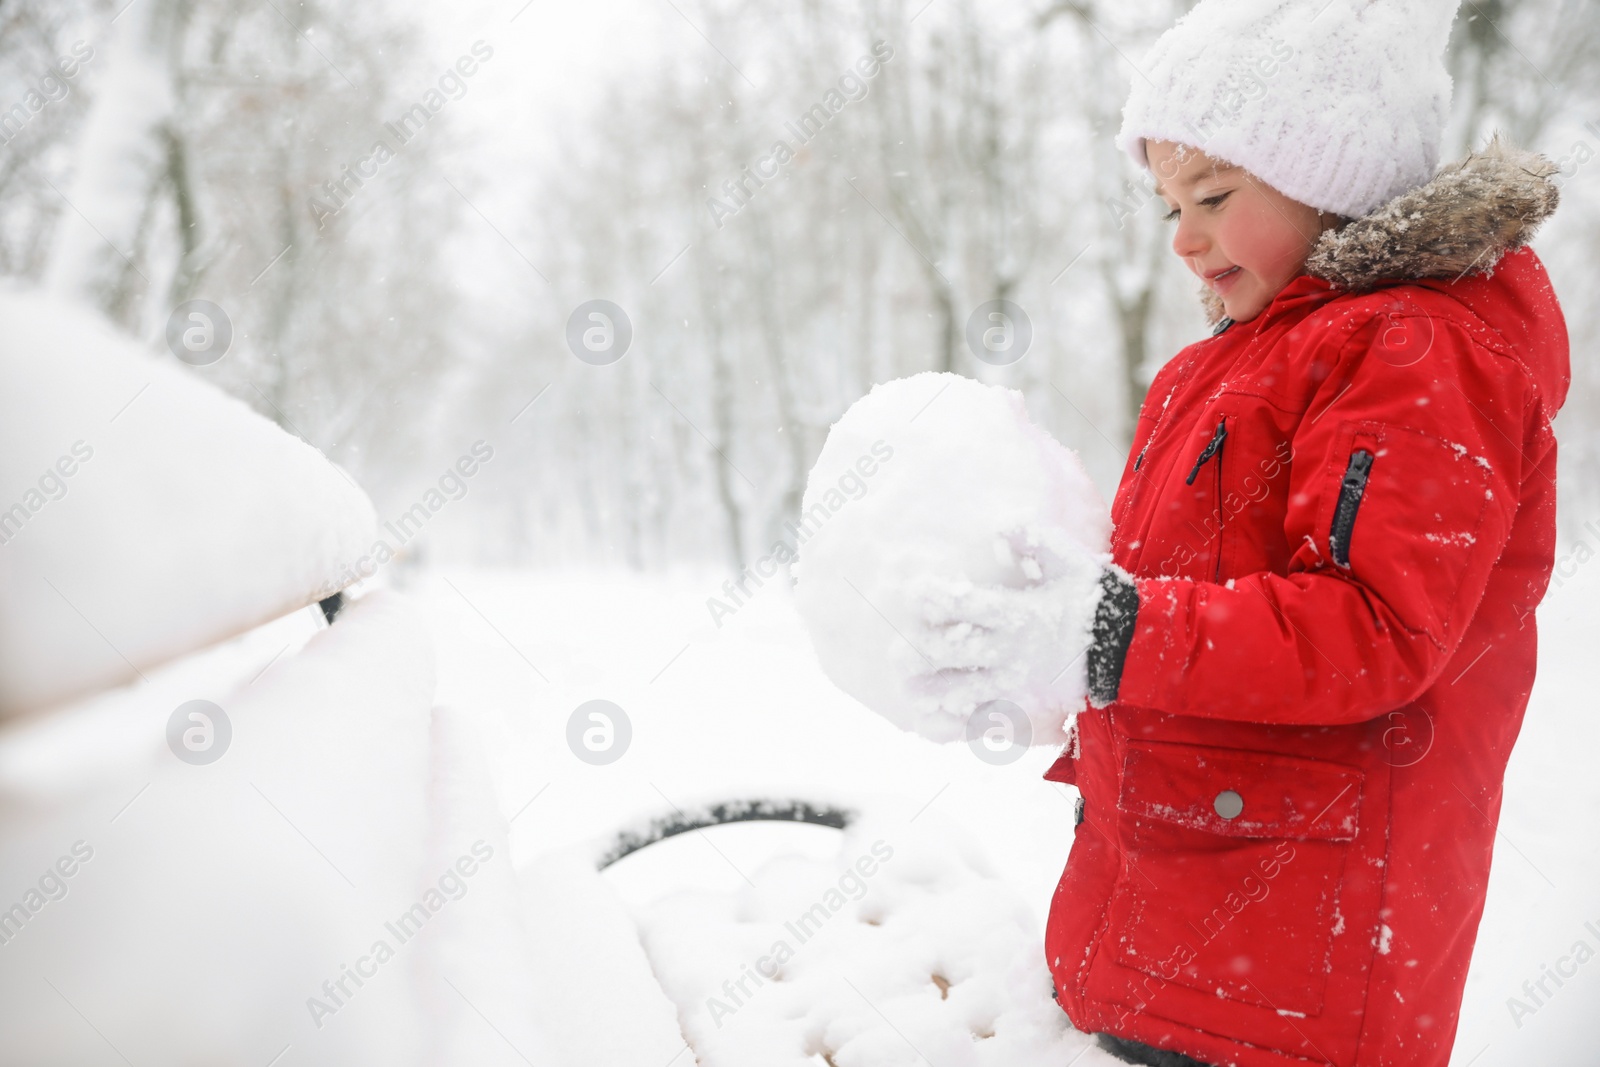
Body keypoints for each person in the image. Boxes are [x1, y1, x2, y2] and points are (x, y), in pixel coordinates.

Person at [1033, 1, 1568, 1064]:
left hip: (1285, 976)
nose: (1184, 238)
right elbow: (1184, 605)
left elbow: (1378, 627)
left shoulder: (1415, 349)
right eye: (1166, 205)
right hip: (1175, 935)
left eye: (1215, 195)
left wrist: (1112, 630)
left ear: (1333, 180)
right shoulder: (1217, 370)